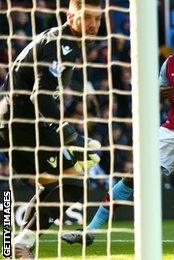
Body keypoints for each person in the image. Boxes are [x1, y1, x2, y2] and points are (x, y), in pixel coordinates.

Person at [62, 21, 174, 246]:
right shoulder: (170, 64)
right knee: (133, 177)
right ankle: (90, 231)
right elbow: (155, 93)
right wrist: (158, 92)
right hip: (170, 128)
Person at [0, 0, 103, 257]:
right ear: (70, 16)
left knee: (50, 187)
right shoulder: (63, 45)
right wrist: (69, 135)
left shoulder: (57, 40)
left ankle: (20, 247)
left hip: (11, 120)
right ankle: (23, 243)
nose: (93, 25)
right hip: (23, 121)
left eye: (97, 19)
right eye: (87, 17)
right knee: (74, 185)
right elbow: (41, 96)